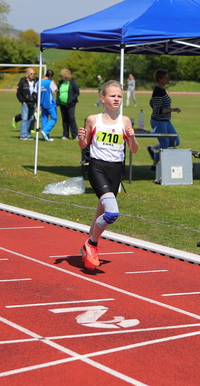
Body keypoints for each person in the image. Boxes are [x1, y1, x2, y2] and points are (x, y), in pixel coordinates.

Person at [77, 80, 138, 270]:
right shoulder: (93, 119)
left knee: (101, 212)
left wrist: (132, 137)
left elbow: (134, 149)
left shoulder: (125, 121)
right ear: (102, 98)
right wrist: (81, 138)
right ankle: (91, 244)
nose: (116, 99)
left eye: (119, 96)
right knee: (112, 213)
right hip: (97, 167)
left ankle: (88, 249)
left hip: (116, 170)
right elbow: (84, 145)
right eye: (112, 96)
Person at [147, 69, 181, 172]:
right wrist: (172, 109)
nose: (168, 79)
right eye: (165, 77)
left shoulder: (162, 90)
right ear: (160, 79)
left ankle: (153, 148)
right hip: (158, 121)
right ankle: (154, 166)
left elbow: (151, 102)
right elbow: (157, 110)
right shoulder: (158, 91)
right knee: (165, 143)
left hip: (166, 121)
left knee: (176, 141)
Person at [57, 68, 80, 140]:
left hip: (70, 104)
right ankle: (65, 134)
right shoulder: (60, 83)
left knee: (71, 118)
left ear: (66, 75)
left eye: (62, 75)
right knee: (64, 119)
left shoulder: (73, 82)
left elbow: (77, 92)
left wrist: (72, 99)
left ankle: (75, 134)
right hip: (62, 104)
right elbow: (58, 92)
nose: (61, 77)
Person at [15, 67, 37, 140]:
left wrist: (36, 103)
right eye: (31, 73)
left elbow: (36, 93)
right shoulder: (23, 82)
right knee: (24, 118)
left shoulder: (34, 82)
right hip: (25, 103)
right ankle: (23, 135)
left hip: (32, 103)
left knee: (31, 119)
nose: (32, 75)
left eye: (33, 74)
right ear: (27, 74)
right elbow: (18, 93)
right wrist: (23, 102)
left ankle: (28, 135)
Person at [39, 69, 58, 142]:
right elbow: (56, 90)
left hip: (42, 103)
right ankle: (45, 131)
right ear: (51, 76)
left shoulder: (39, 82)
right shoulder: (49, 82)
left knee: (44, 119)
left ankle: (45, 137)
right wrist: (52, 81)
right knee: (54, 118)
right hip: (50, 104)